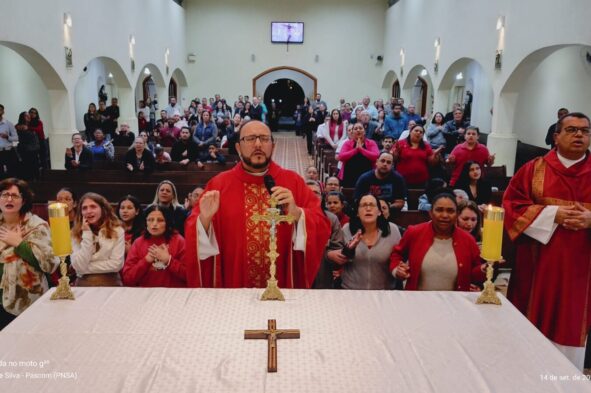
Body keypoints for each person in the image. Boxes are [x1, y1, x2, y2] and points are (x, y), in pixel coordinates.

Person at [184, 120, 331, 288]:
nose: (258, 144)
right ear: (238, 148)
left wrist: (297, 213)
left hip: (282, 286)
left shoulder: (293, 182)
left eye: (264, 138)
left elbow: (321, 224)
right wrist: (204, 221)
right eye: (251, 138)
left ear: (273, 146)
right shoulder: (219, 185)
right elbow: (192, 230)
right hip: (235, 286)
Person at [503, 112, 591, 370]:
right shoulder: (534, 169)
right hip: (537, 266)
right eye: (572, 130)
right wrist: (553, 214)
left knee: (572, 327)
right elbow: (512, 205)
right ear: (556, 136)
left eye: (585, 131)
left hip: (581, 272)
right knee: (531, 333)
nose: (579, 135)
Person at [390, 193, 485, 291]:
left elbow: (475, 273)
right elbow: (397, 254)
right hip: (418, 301)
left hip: (455, 303)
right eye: (439, 210)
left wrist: (484, 269)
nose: (444, 215)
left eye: (450, 211)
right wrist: (397, 269)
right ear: (430, 212)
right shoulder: (414, 232)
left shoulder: (468, 240)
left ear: (456, 214)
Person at [0, 178, 58, 329]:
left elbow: (49, 264)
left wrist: (19, 244)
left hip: (28, 298)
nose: (9, 199)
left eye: (15, 195)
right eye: (5, 194)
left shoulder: (37, 226)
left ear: (24, 201)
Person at [335, 194, 401, 290]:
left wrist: (399, 270)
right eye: (364, 205)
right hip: (351, 291)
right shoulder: (347, 229)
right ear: (357, 212)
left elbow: (398, 257)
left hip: (384, 292)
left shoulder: (392, 230)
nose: (368, 208)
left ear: (379, 212)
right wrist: (350, 249)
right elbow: (340, 260)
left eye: (372, 205)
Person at [122, 205, 187, 288]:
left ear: (167, 222)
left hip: (174, 294)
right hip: (146, 294)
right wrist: (146, 261)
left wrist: (169, 260)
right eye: (150, 220)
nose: (154, 224)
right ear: (145, 223)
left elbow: (189, 275)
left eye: (160, 220)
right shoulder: (138, 243)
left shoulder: (179, 241)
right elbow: (127, 279)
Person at [70, 192, 125, 286]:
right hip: (84, 284)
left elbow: (116, 264)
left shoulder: (117, 231)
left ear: (103, 209)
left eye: (93, 206)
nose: (88, 211)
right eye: (84, 208)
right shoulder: (75, 233)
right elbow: (78, 266)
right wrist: (87, 234)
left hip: (110, 283)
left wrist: (84, 268)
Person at [306, 181, 345, 290]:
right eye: (308, 192)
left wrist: (328, 254)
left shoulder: (332, 219)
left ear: (322, 197)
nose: (313, 195)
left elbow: (337, 247)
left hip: (323, 275)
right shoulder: (291, 218)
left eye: (316, 193)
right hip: (298, 273)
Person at [338, 122, 380, 188]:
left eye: (360, 128)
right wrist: (356, 150)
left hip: (368, 175)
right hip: (349, 175)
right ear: (352, 132)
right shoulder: (347, 143)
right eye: (356, 129)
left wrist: (361, 149)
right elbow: (341, 157)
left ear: (364, 131)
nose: (358, 130)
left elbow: (376, 156)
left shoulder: (371, 143)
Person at [15, 111, 41, 180]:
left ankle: (37, 183)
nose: (29, 116)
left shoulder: (31, 125)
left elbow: (39, 129)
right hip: (26, 150)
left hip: (34, 150)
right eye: (26, 116)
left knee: (36, 168)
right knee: (28, 169)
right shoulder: (20, 126)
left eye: (29, 115)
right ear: (22, 117)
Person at [0, 104, 19, 179]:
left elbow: (16, 138)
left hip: (8, 151)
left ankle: (12, 189)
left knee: (11, 172)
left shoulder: (8, 124)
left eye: (0, 110)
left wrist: (7, 137)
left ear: (3, 111)